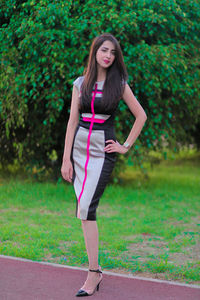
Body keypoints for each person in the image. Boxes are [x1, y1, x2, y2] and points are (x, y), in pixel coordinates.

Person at [61, 33, 147, 297]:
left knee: (86, 207)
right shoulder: (80, 83)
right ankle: (95, 271)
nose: (108, 56)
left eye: (112, 52)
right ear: (95, 52)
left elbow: (141, 115)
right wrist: (66, 158)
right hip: (78, 151)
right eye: (104, 51)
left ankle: (93, 273)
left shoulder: (119, 84)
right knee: (84, 211)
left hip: (103, 152)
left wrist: (125, 146)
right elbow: (72, 122)